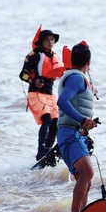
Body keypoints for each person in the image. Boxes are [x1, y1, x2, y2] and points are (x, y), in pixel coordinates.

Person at [56, 42, 98, 212]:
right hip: (70, 133)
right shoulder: (76, 78)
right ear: (89, 61)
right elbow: (62, 101)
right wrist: (82, 120)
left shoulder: (79, 78)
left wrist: (86, 123)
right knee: (87, 172)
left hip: (76, 134)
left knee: (84, 179)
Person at [19, 29, 65, 165]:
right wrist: (34, 81)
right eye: (47, 39)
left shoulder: (55, 56)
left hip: (50, 94)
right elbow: (22, 74)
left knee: (56, 123)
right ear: (41, 42)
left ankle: (48, 149)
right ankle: (40, 151)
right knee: (46, 119)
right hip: (36, 93)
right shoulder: (34, 55)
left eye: (52, 39)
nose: (50, 42)